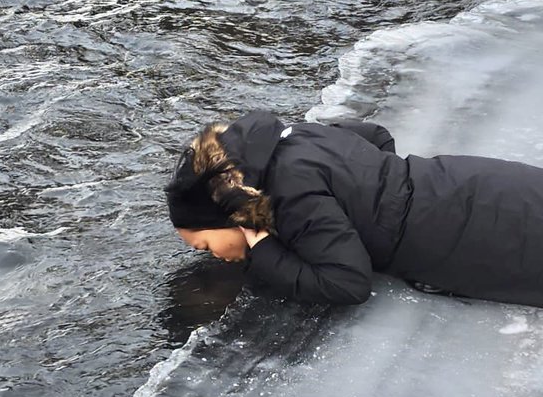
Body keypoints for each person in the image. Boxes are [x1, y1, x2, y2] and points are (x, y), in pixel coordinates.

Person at [165, 109, 543, 308]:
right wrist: (372, 194)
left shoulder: (289, 197)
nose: (215, 256)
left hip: (481, 235)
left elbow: (347, 282)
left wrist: (263, 248)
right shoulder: (294, 138)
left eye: (204, 246)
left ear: (227, 216)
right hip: (475, 181)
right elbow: (375, 134)